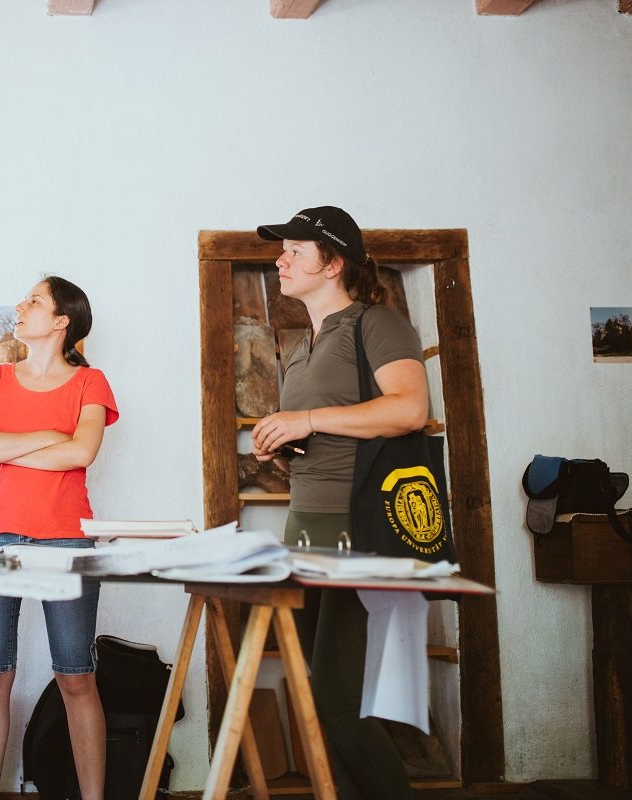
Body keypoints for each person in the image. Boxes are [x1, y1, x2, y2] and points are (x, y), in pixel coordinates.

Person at [250, 206, 429, 800]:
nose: (281, 261)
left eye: (295, 251)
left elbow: (410, 409)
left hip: (359, 529)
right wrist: (284, 449)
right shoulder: (303, 345)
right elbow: (329, 435)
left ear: (332, 264)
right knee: (320, 696)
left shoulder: (376, 324)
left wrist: (305, 418)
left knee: (337, 697)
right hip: (305, 528)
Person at [0, 276, 119, 800]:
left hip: (65, 539)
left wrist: (7, 445)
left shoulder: (90, 382)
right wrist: (49, 438)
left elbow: (81, 453)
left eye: (34, 300)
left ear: (61, 321)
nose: (20, 305)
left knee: (76, 677)